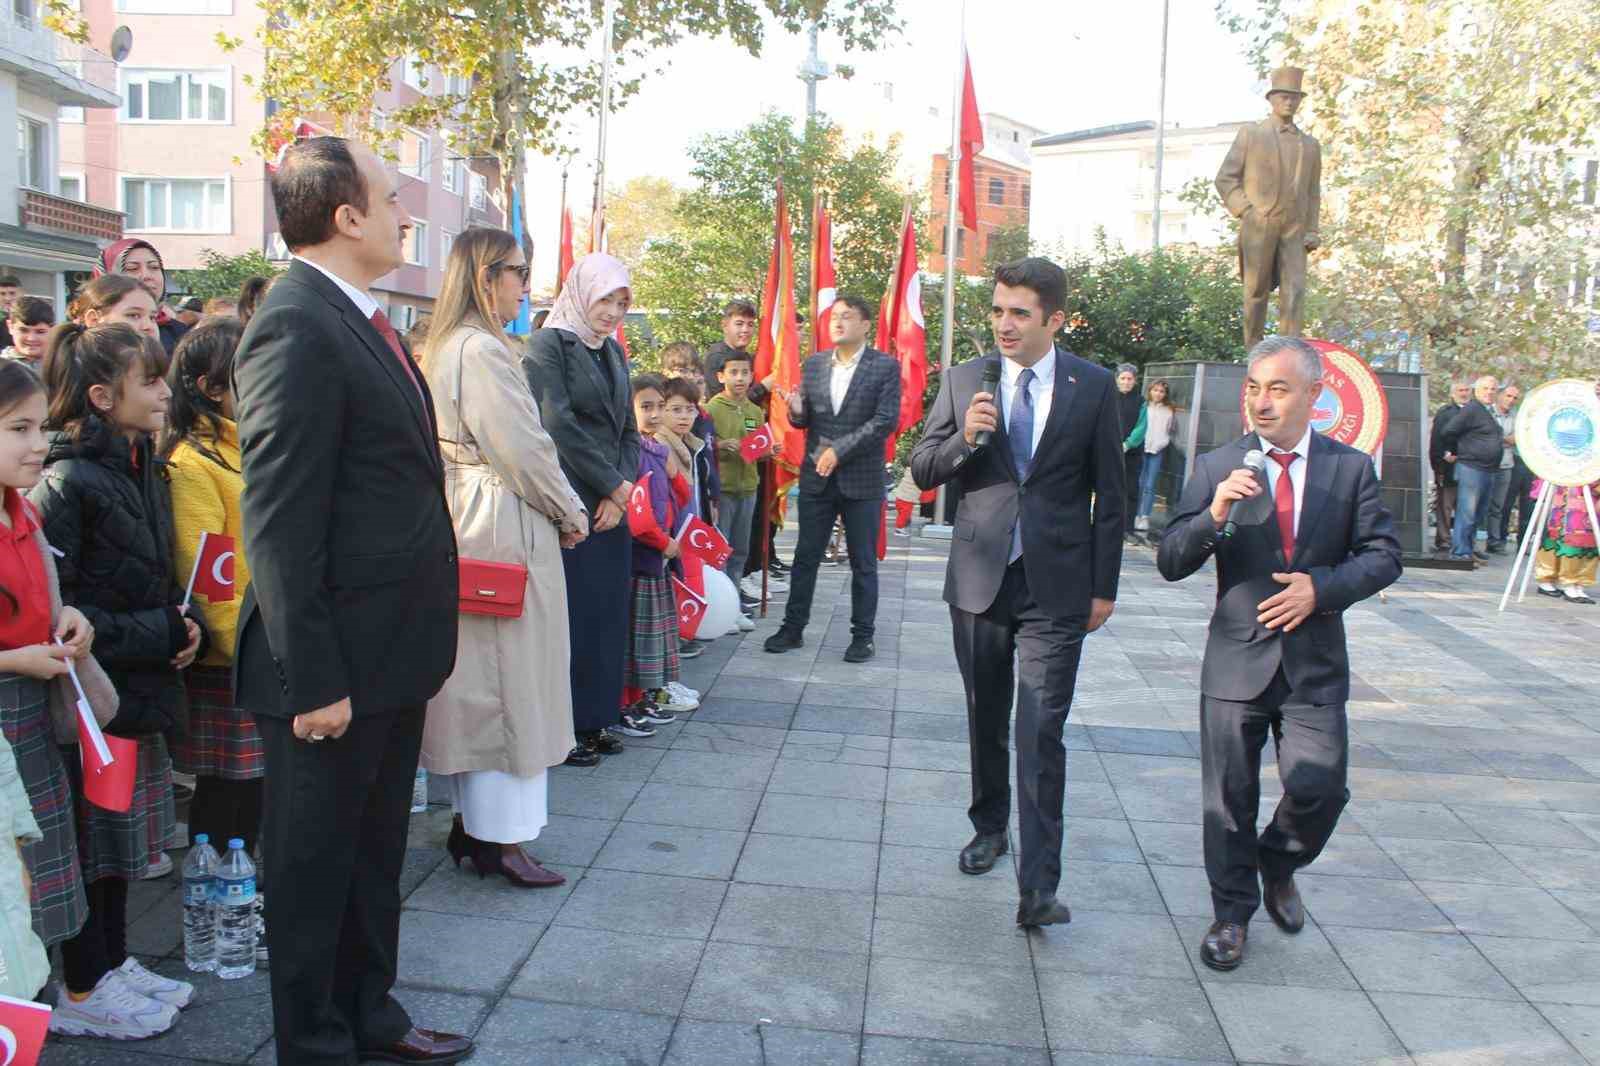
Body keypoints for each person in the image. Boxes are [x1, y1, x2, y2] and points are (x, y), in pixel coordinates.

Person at [232, 136, 470, 1066]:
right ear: (346, 216)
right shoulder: (295, 321)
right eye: (390, 195)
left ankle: (371, 1015)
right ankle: (317, 1044)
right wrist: (314, 678)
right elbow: (281, 522)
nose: (405, 211)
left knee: (373, 856)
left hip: (391, 651)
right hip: (329, 666)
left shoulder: (358, 316)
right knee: (314, 866)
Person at [1157, 335, 1401, 972]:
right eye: (1254, 388)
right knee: (1228, 799)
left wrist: (1322, 589)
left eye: (1279, 388)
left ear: (1313, 395)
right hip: (1237, 660)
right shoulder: (1217, 466)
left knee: (1320, 787)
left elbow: (1383, 555)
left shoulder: (1349, 469)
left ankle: (1280, 861)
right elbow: (1170, 560)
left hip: (1314, 662)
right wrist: (1214, 515)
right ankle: (1231, 916)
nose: (1262, 402)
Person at [909, 257, 1125, 928]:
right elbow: (921, 468)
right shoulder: (965, 379)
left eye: (1020, 313)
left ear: (1054, 319)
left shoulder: (1092, 387)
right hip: (978, 578)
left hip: (1058, 585)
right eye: (998, 310)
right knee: (987, 715)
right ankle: (989, 826)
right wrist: (965, 443)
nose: (1004, 324)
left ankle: (1039, 887)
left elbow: (1111, 496)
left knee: (1041, 731)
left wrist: (1105, 586)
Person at [33, 322, 203, 1037]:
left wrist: (181, 621)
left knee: (118, 840)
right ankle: (82, 983)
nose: (167, 391)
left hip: (135, 688)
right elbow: (64, 608)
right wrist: (160, 630)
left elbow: (148, 581)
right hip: (95, 698)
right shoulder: (70, 480)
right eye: (152, 380)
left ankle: (113, 959)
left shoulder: (144, 464)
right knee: (88, 839)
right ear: (103, 397)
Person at [419, 226, 588, 888]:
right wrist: (569, 512)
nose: (525, 282)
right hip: (500, 519)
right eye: (518, 270)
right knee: (508, 686)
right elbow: (523, 449)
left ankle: (477, 830)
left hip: (475, 516)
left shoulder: (455, 345)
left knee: (491, 685)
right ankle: (502, 841)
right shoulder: (480, 350)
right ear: (486, 276)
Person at [159, 317, 267, 960]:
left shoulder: (245, 445)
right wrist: (246, 648)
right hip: (232, 657)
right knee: (225, 797)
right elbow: (208, 574)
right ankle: (220, 911)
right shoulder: (192, 463)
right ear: (207, 387)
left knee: (254, 794)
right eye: (243, 375)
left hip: (265, 644)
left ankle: (244, 900)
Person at [0, 359, 103, 1003]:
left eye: (41, 426)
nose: (40, 444)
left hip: (30, 716)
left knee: (36, 878)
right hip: (8, 710)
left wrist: (67, 615)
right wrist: (12, 660)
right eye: (18, 428)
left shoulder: (20, 509)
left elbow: (37, 596)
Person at [526, 253, 649, 762]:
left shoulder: (613, 352)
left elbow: (627, 426)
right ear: (581, 293)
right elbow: (556, 422)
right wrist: (608, 486)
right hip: (571, 497)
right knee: (571, 616)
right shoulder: (548, 344)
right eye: (606, 300)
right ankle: (565, 727)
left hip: (609, 501)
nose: (613, 312)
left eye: (622, 303)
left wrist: (621, 487)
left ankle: (597, 717)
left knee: (605, 613)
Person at [765, 295, 900, 663]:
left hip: (862, 481)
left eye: (847, 316)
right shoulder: (814, 365)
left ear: (865, 324)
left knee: (863, 562)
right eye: (834, 317)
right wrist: (796, 410)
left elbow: (885, 421)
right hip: (817, 479)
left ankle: (863, 636)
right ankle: (793, 629)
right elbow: (805, 420)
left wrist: (840, 450)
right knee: (806, 557)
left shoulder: (884, 367)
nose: (838, 322)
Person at [1214, 67, 1322, 349]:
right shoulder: (1252, 134)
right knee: (1256, 290)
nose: (1289, 102)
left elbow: (1313, 193)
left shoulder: (1310, 145)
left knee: (1295, 291)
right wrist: (1247, 211)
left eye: (1294, 98)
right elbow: (1225, 178)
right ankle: (1253, 349)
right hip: (1259, 222)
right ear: (1272, 99)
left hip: (1295, 227)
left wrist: (1312, 229)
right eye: (1284, 96)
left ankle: (1289, 351)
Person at [622, 373, 698, 726]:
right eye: (645, 407)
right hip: (643, 556)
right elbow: (638, 513)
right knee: (637, 639)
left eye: (659, 407)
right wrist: (663, 542)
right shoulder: (631, 452)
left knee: (656, 636)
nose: (654, 415)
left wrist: (674, 474)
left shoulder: (657, 448)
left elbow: (680, 498)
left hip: (660, 557)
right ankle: (629, 702)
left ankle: (646, 697)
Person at [705, 349, 770, 629]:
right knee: (721, 550)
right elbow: (700, 446)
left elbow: (758, 449)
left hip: (749, 488)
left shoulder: (756, 411)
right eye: (733, 372)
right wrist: (720, 445)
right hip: (723, 491)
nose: (740, 378)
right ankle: (718, 609)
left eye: (745, 372)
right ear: (721, 376)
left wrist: (769, 449)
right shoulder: (710, 409)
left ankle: (732, 608)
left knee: (740, 550)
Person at [1441, 374, 1501, 565]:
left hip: (1488, 469)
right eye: (1486, 388)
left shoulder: (1488, 410)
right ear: (1476, 390)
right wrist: (1458, 450)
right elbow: (1448, 431)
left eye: (1493, 389)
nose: (1490, 392)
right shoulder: (1472, 409)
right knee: (1467, 512)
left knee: (1478, 514)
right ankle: (1460, 552)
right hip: (1472, 468)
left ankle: (1469, 548)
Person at [93, 239, 189, 355]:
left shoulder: (182, 335)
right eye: (132, 268)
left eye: (154, 267)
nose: (146, 275)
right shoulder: (82, 343)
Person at [661, 341, 720, 522]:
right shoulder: (662, 422)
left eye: (693, 371)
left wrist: (713, 497)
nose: (689, 377)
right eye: (682, 370)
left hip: (700, 495)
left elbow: (709, 460)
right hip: (673, 504)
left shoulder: (703, 417)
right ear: (666, 372)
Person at [1532, 475, 1600, 605]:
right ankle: (1556, 580)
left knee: (1589, 541)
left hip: (1589, 495)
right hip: (1571, 494)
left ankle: (1578, 582)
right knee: (1570, 539)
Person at [1126, 378, 1179, 536]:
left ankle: (1145, 516)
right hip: (1142, 448)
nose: (1158, 394)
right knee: (1139, 483)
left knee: (1150, 485)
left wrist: (1162, 443)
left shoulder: (1169, 410)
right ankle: (1134, 514)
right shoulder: (1144, 407)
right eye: (1155, 390)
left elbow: (1169, 431)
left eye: (1161, 391)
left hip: (1158, 450)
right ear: (1150, 391)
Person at [1429, 380, 1471, 555]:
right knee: (1445, 505)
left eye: (1466, 389)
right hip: (1449, 466)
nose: (1464, 393)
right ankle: (1444, 540)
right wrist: (1443, 458)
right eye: (1460, 390)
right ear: (1453, 393)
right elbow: (1437, 439)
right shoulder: (1445, 413)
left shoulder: (1474, 412)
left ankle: (1463, 542)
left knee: (1466, 507)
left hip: (1470, 465)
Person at [1484, 383, 1520, 555]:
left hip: (1505, 465)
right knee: (1478, 505)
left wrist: (1500, 439)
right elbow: (1487, 436)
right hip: (1485, 464)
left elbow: (1517, 438)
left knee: (1498, 506)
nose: (1511, 400)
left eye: (1515, 398)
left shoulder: (1516, 416)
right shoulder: (1487, 412)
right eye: (1508, 396)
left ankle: (1494, 541)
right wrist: (1504, 439)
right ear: (1500, 395)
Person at [1114, 364, 1142, 531]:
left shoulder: (1141, 401)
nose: (1126, 382)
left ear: (1135, 381)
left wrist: (1128, 444)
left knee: (1131, 491)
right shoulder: (1108, 397)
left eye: (1129, 379)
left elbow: (1141, 427)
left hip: (1131, 454)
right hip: (1110, 452)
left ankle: (1128, 528)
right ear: (1117, 380)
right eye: (1122, 378)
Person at [3, 297, 54, 369]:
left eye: (40, 332)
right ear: (10, 327)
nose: (31, 338)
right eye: (23, 330)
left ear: (52, 330)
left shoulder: (63, 366)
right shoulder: (2, 367)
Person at [0, 275, 20, 351]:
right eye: (2, 294)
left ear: (21, 294)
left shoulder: (29, 315)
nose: (7, 298)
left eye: (12, 293)